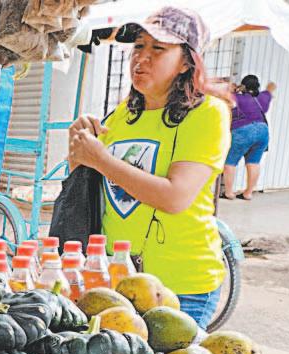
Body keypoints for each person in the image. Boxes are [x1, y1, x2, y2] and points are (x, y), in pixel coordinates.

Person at [66, 7, 230, 328]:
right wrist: (79, 146)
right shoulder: (123, 114)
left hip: (180, 285)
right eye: (139, 46)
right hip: (118, 279)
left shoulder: (207, 113)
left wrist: (101, 159)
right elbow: (89, 181)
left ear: (187, 62)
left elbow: (175, 197)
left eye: (158, 48)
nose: (142, 57)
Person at [221, 75, 276, 200]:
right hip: (263, 130)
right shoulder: (261, 98)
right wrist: (269, 89)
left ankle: (229, 193)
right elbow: (270, 89)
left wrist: (232, 89)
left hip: (243, 130)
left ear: (243, 86)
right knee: (254, 162)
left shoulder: (235, 97)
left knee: (230, 162)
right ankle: (248, 193)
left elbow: (223, 96)